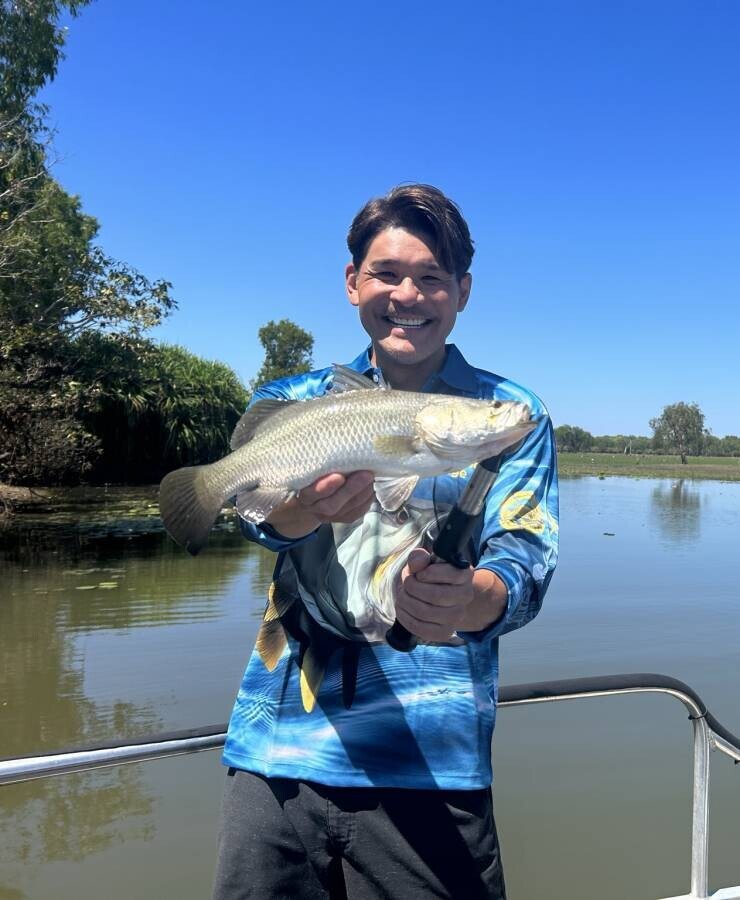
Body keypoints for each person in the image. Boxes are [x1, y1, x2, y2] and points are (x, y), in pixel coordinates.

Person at [212, 184, 559, 899]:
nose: (409, 295)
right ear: (352, 284)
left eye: (432, 278)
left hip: (433, 767)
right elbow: (253, 517)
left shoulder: (510, 415)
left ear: (461, 292)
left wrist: (464, 600)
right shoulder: (290, 399)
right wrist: (302, 513)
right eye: (388, 274)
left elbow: (524, 564)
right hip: (277, 755)